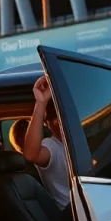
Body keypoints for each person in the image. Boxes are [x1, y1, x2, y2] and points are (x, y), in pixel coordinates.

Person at [22, 77, 71, 211]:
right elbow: (31, 155)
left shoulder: (80, 142)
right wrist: (41, 102)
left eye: (65, 116)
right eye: (55, 118)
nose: (61, 122)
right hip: (72, 214)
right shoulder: (52, 146)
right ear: (46, 122)